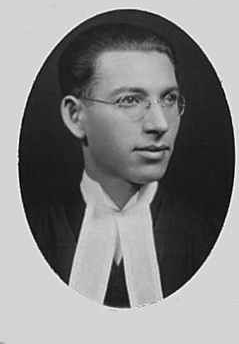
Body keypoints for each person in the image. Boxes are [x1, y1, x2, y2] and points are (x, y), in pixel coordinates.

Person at [27, 22, 218, 308]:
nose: (160, 124)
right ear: (75, 116)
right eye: (129, 100)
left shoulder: (212, 238)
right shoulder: (28, 237)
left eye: (169, 99)